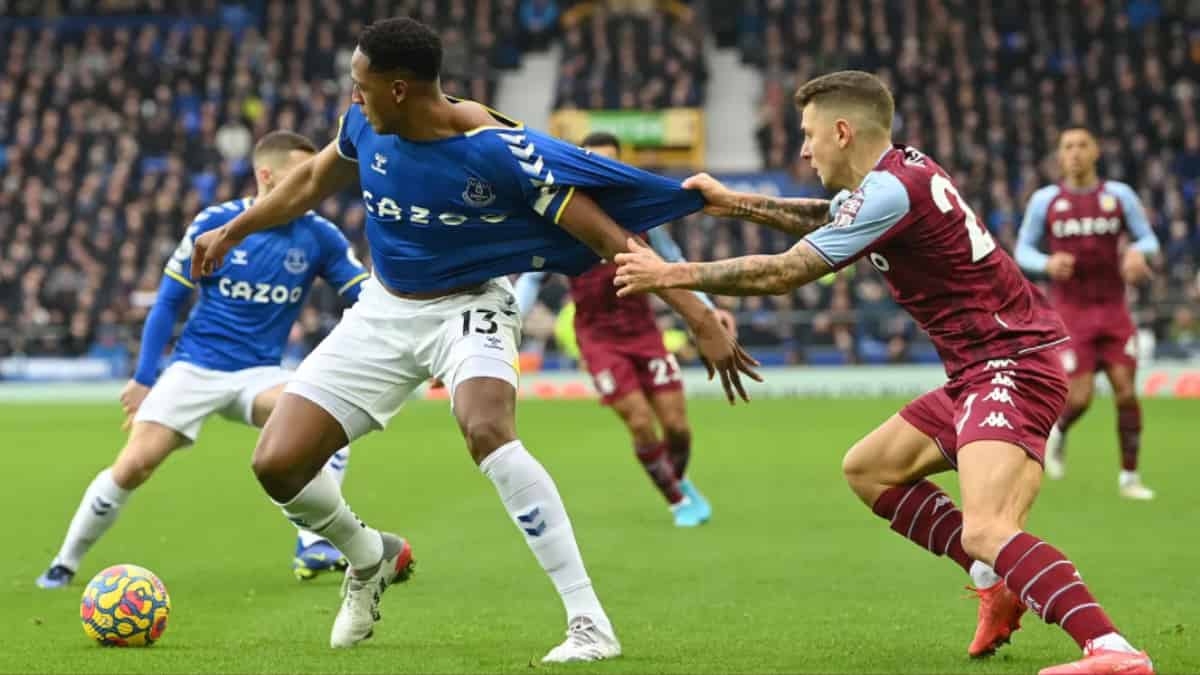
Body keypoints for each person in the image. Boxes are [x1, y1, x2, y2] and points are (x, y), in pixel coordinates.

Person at [187, 17, 758, 661]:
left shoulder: (494, 150)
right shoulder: (364, 127)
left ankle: (588, 622)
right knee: (277, 465)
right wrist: (237, 228)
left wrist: (699, 315)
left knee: (487, 429)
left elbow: (608, 236)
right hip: (382, 310)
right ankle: (370, 556)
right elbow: (309, 184)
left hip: (470, 307)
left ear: (400, 89)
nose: (353, 98)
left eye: (361, 86)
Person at [613, 70, 1154, 675]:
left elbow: (786, 272)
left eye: (808, 135)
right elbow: (827, 218)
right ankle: (995, 579)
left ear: (842, 132)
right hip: (979, 369)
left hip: (1012, 364)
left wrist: (672, 275)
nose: (802, 149)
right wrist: (729, 201)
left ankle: (1111, 649)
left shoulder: (890, 193)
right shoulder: (896, 178)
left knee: (987, 528)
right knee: (870, 470)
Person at [36, 131, 367, 589]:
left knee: (326, 423)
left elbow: (362, 295)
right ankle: (64, 563)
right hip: (195, 367)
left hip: (261, 374)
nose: (309, 186)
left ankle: (312, 544)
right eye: (298, 176)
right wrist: (144, 377)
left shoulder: (320, 236)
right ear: (266, 176)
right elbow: (169, 301)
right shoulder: (216, 223)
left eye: (312, 177)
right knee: (134, 465)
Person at [516, 132, 731, 528]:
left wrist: (709, 310)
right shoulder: (562, 218)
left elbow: (674, 260)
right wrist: (511, 321)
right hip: (598, 338)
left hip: (643, 332)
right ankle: (678, 500)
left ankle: (678, 481)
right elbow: (531, 279)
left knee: (678, 427)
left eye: (608, 164)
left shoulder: (641, 215)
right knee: (637, 419)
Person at [1015, 127, 1160, 498]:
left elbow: (1147, 237)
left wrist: (1136, 252)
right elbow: (1023, 251)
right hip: (1070, 314)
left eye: (1082, 146)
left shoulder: (1118, 195)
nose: (1075, 153)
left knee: (1126, 393)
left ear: (1096, 152)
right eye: (1068, 147)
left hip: (1114, 311)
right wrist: (1047, 264)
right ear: (1060, 158)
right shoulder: (1046, 200)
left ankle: (1130, 477)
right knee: (1078, 398)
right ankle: (1059, 433)